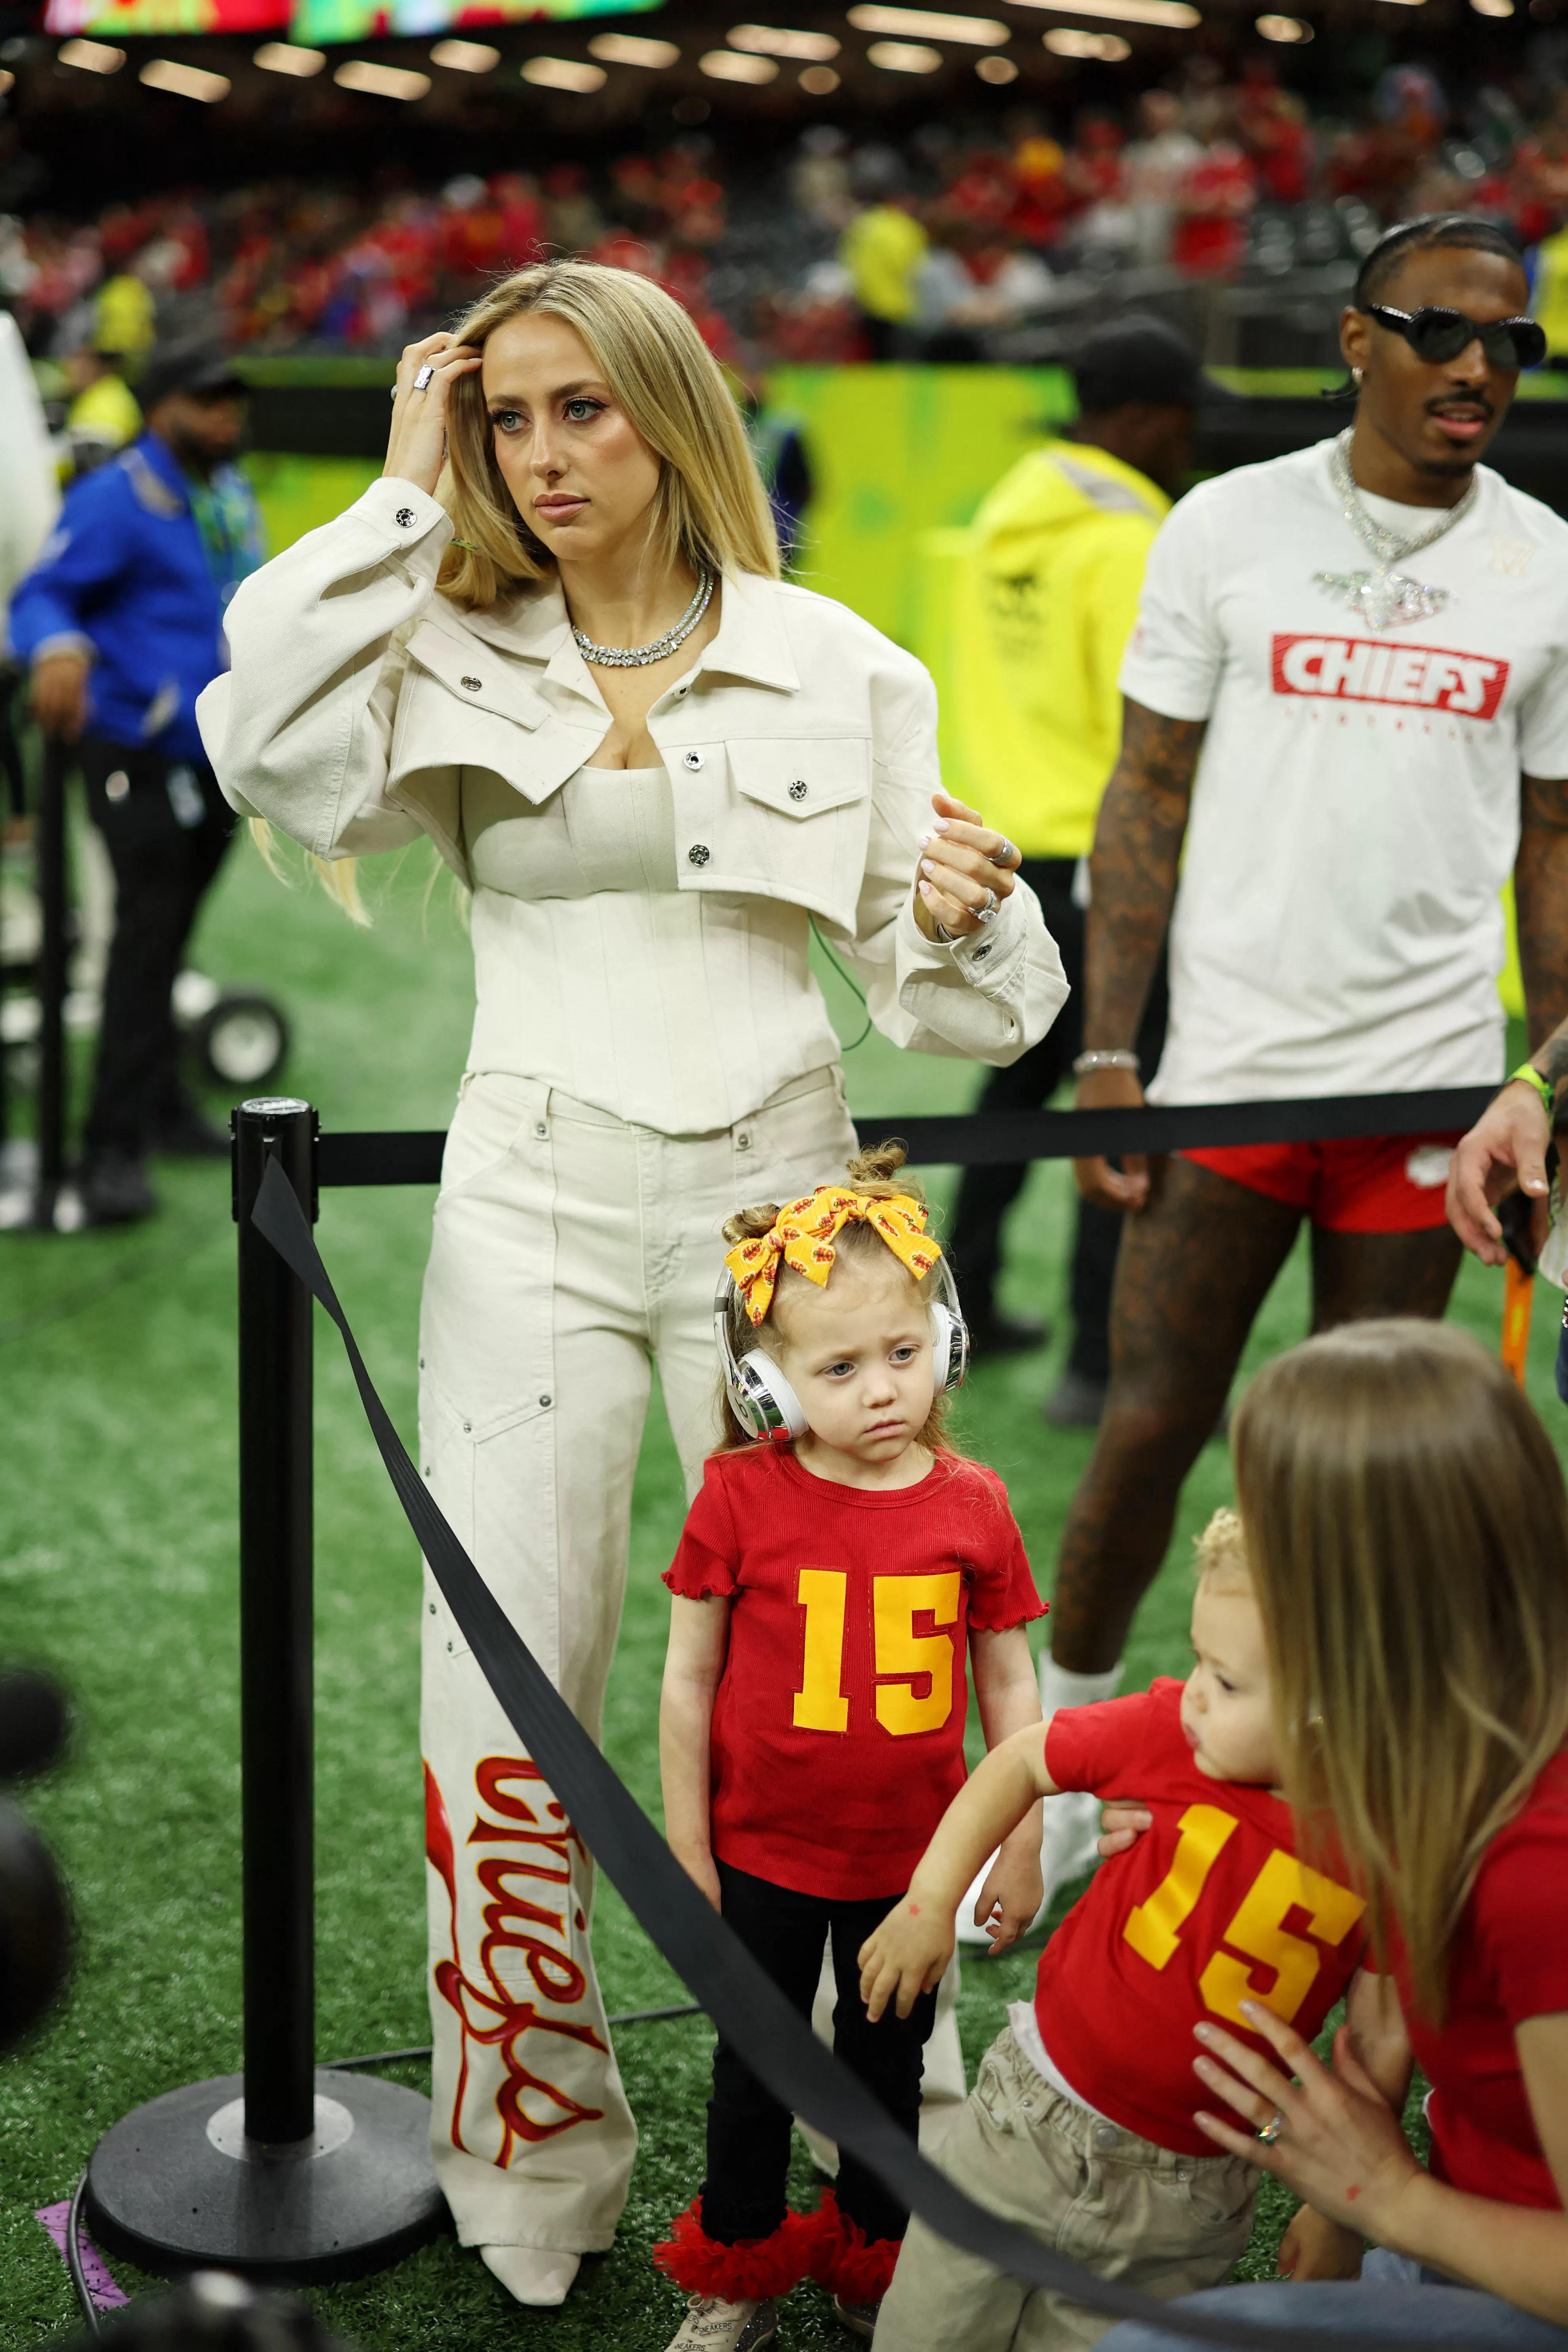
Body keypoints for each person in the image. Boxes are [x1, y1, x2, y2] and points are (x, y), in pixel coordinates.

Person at [196, 261, 1066, 2306]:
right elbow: (254, 736)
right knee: (499, 1693)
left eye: (579, 410)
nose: (543, 455)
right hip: (529, 1202)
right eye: (505, 418)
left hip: (790, 1213)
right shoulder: (434, 642)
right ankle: (530, 2160)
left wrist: (980, 909)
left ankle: (883, 2126)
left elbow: (953, 1001)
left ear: (667, 411)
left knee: (865, 1675)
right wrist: (401, 497)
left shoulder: (833, 659)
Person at [1037, 211, 1568, 1910]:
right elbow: (1144, 792)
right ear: (1353, 339)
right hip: (1230, 1079)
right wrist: (1109, 1048)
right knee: (1149, 1427)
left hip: (1425, 1097)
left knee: (1360, 1479)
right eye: (1438, 329)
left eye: (1511, 343)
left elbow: (1554, 847)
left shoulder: (1547, 562)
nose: (1476, 364)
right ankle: (1057, 1767)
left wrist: (1544, 1079)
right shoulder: (1224, 524)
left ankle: (1325, 1794)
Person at [1092, 1321, 1568, 2348]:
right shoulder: (1456, 1722)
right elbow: (1394, 1983)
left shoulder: (1539, 1867)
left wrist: (1379, 2198)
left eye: (1273, 1529)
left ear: (1363, 1602)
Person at [654, 1145, 1046, 2352]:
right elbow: (686, 1679)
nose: (882, 1388)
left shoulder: (971, 1502)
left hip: (910, 1873)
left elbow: (1007, 1684)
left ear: (947, 1342)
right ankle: (739, 2274)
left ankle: (875, 2266)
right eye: (837, 1367)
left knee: (882, 2083)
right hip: (761, 1856)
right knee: (753, 2075)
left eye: (903, 1353)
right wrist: (685, 1843)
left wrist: (1019, 1846)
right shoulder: (735, 1493)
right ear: (765, 1386)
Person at [860, 1505, 1379, 2351]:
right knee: (925, 2331)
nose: (1194, 1692)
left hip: (1190, 2188)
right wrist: (927, 1900)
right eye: (1197, 1660)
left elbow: (1378, 2031)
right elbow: (1024, 1757)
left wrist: (1339, 2206)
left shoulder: (1394, 1842)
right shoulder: (1167, 1729)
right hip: (1028, 2118)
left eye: (1229, 1679)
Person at [943, 314, 1206, 1416]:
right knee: (1119, 1097)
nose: (1190, 445)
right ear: (1140, 420)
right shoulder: (1132, 541)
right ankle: (1096, 1366)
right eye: (1185, 422)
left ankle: (965, 1312)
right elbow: (1149, 730)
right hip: (1106, 862)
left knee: (1013, 1091)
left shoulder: (999, 523)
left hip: (1003, 854)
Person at [10, 340, 262, 1224]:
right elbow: (40, 594)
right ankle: (108, 1148)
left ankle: (156, 1109)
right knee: (142, 943)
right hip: (134, 753)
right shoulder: (118, 496)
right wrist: (57, 644)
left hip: (211, 758)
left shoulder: (225, 492)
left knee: (167, 939)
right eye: (206, 400)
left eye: (232, 399)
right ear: (162, 408)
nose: (226, 415)